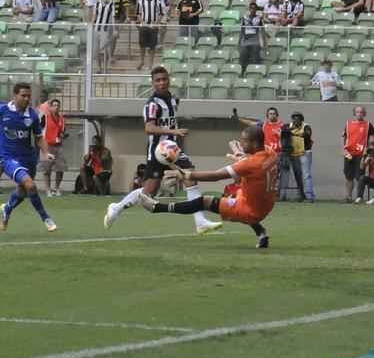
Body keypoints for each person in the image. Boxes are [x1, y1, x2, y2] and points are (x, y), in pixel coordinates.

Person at [104, 65, 222, 234]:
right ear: (152, 83)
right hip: (158, 150)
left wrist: (173, 134)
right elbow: (149, 128)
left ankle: (200, 221)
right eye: (158, 80)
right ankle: (117, 207)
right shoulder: (152, 105)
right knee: (148, 195)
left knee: (190, 176)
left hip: (172, 148)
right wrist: (173, 131)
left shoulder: (173, 99)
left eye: (164, 79)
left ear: (169, 80)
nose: (162, 83)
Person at [137, 125, 277, 249]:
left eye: (244, 140)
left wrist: (187, 175)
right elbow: (256, 164)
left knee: (205, 202)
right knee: (227, 197)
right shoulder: (271, 153)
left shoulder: (250, 164)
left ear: (254, 143)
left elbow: (215, 176)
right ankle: (261, 233)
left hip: (250, 208)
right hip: (266, 202)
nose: (240, 143)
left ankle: (157, 207)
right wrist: (243, 156)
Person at [0, 82, 58, 232]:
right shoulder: (1, 110)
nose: (26, 99)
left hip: (28, 157)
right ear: (15, 96)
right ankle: (46, 218)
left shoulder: (32, 115)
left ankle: (7, 209)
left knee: (22, 191)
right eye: (23, 95)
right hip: (8, 158)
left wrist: (46, 152)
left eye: (29, 96)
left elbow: (39, 137)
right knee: (30, 185)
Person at [342, 105, 374, 203]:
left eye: (361, 112)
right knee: (348, 176)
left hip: (361, 154)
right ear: (354, 113)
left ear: (364, 114)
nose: (359, 114)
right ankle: (348, 196)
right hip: (349, 153)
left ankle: (359, 197)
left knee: (359, 177)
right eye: (357, 112)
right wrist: (344, 149)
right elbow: (344, 137)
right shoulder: (348, 124)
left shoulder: (367, 125)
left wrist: (370, 145)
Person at [279, 112, 315, 202]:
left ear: (301, 120)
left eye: (298, 119)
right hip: (292, 153)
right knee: (292, 174)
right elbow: (282, 133)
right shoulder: (288, 126)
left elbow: (307, 134)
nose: (296, 120)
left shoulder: (306, 126)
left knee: (306, 175)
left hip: (304, 153)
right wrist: (290, 129)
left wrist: (295, 133)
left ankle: (309, 196)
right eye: (294, 118)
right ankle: (296, 195)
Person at [37, 97, 67, 196]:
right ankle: (48, 189)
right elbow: (38, 130)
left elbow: (62, 131)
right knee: (47, 169)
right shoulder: (45, 117)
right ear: (50, 107)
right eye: (54, 105)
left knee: (60, 168)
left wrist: (63, 135)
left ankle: (56, 188)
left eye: (58, 105)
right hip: (47, 145)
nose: (56, 107)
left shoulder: (62, 118)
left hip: (58, 145)